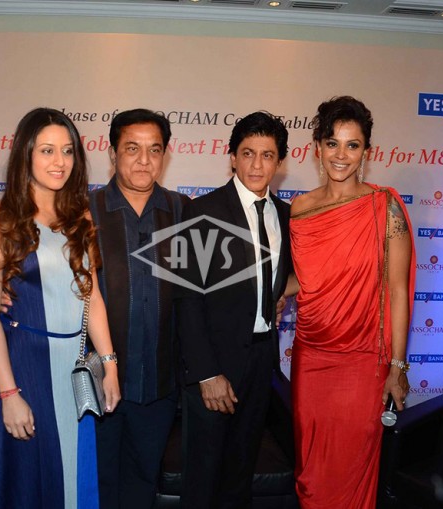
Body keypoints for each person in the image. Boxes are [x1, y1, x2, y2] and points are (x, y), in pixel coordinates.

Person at [0, 107, 121, 509]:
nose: (60, 162)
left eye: (68, 151)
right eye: (47, 150)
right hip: (24, 368)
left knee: (73, 476)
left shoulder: (79, 215)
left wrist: (110, 364)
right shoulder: (0, 218)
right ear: (26, 154)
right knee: (27, 485)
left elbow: (92, 296)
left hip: (74, 369)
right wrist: (8, 393)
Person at [288, 96, 415, 508]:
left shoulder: (385, 207)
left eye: (352, 145)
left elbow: (398, 290)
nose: (341, 155)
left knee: (352, 469)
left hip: (363, 361)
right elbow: (308, 277)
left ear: (367, 152)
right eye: (332, 143)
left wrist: (397, 366)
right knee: (311, 474)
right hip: (311, 356)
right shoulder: (300, 207)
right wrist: (262, 296)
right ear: (317, 148)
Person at [176, 111, 294, 509]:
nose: (257, 165)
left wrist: (275, 294)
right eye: (247, 153)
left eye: (267, 155)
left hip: (261, 361)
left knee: (240, 476)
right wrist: (207, 373)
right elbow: (185, 297)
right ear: (232, 157)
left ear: (280, 163)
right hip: (213, 363)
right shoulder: (200, 211)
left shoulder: (286, 216)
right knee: (203, 479)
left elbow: (289, 275)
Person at [88, 109, 188, 509]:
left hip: (159, 386)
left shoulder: (181, 211)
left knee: (143, 484)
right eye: (132, 149)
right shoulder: (85, 211)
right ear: (113, 153)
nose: (144, 160)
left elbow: (196, 290)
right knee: (97, 486)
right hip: (97, 384)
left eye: (154, 150)